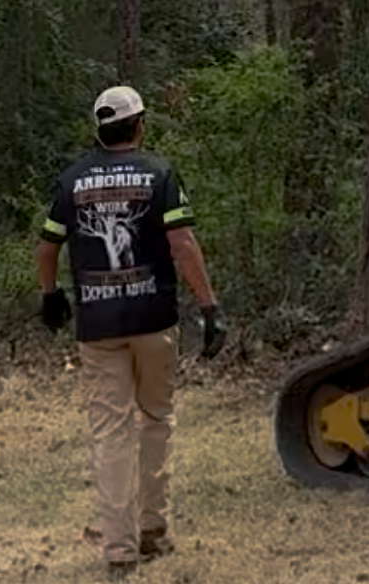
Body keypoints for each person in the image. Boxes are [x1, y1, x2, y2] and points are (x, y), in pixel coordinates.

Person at [36, 85, 226, 579]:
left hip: (97, 326)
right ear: (140, 124)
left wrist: (50, 294)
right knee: (156, 419)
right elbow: (182, 243)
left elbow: (47, 243)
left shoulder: (72, 180)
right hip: (153, 319)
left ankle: (119, 549)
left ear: (98, 130)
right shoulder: (158, 174)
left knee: (110, 432)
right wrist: (208, 307)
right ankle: (153, 530)